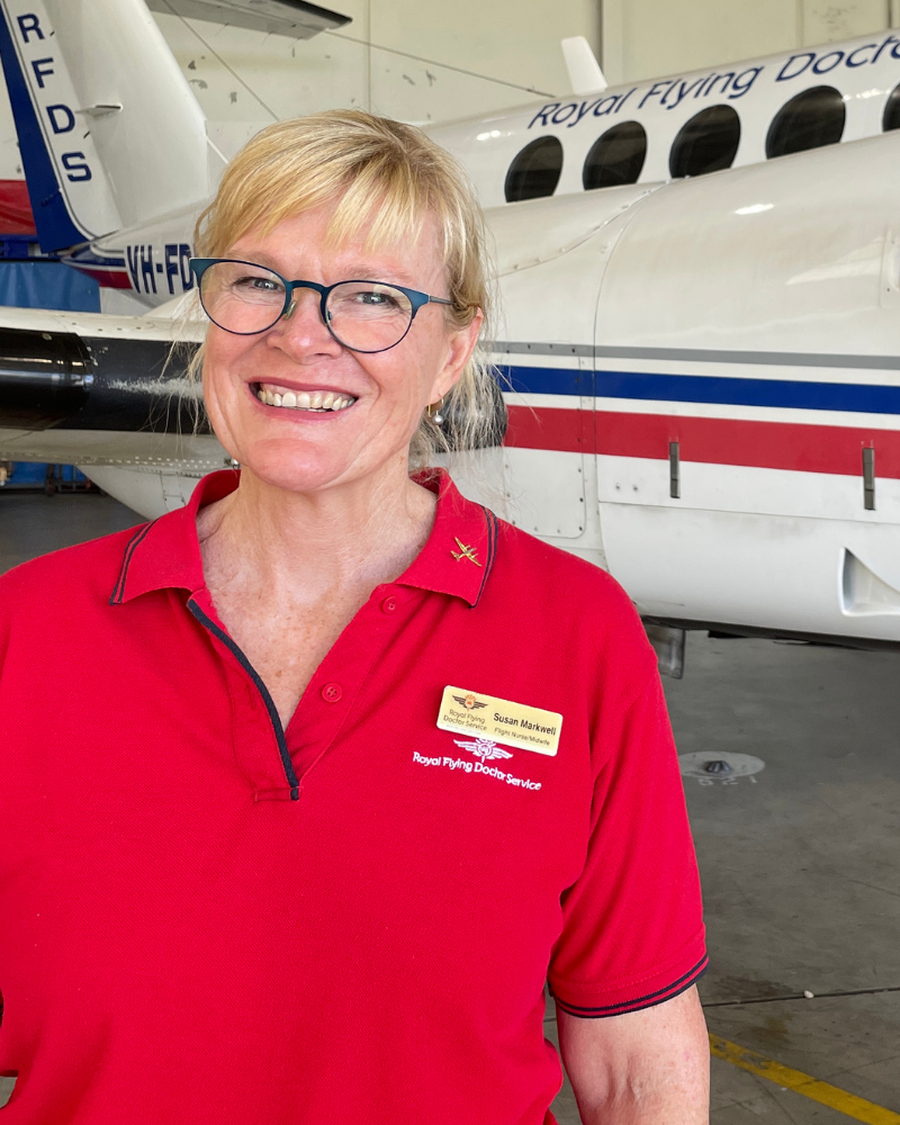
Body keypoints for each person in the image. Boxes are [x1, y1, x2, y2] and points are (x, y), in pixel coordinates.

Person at [0, 110, 709, 1124]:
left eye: (372, 296)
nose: (300, 334)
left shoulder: (574, 634)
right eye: (257, 280)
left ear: (455, 350)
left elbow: (637, 1062)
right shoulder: (27, 631)